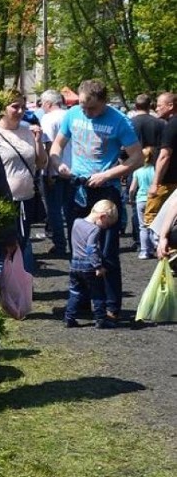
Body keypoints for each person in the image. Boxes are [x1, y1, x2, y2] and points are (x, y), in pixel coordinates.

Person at [50, 79, 142, 322]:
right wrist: (58, 164)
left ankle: (112, 307)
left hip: (105, 191)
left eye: (91, 108)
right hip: (77, 188)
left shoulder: (119, 121)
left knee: (107, 250)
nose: (86, 112)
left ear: (103, 101)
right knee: (79, 248)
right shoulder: (72, 115)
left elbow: (137, 158)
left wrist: (107, 175)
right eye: (82, 105)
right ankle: (81, 302)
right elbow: (57, 147)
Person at [0, 91, 48, 273]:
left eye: (23, 106)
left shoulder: (28, 130)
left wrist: (38, 141)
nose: (20, 110)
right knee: (3, 247)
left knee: (22, 243)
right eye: (15, 106)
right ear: (2, 108)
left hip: (26, 199)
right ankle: (3, 287)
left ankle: (20, 287)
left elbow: (41, 162)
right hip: (3, 200)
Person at [65, 200, 120, 329]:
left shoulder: (77, 222)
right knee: (97, 293)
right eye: (106, 225)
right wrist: (98, 266)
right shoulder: (94, 229)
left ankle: (69, 317)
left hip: (75, 263)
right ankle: (101, 319)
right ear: (102, 217)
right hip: (88, 265)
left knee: (75, 292)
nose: (104, 228)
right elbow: (91, 248)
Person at [38, 89, 72, 256]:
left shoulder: (48, 119)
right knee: (71, 209)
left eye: (42, 104)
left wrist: (49, 171)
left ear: (48, 103)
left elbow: (50, 146)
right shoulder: (71, 116)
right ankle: (75, 242)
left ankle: (59, 245)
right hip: (73, 169)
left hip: (55, 170)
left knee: (54, 210)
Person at [143, 92, 177, 227]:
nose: (156, 109)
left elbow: (164, 156)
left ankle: (159, 246)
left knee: (151, 220)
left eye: (159, 106)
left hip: (167, 182)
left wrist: (155, 183)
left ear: (170, 106)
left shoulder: (172, 125)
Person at [129, 147, 157, 259]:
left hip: (140, 200)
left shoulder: (137, 170)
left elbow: (132, 188)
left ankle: (144, 251)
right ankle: (156, 246)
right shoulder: (155, 169)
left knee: (143, 227)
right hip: (153, 199)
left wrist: (131, 199)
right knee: (155, 225)